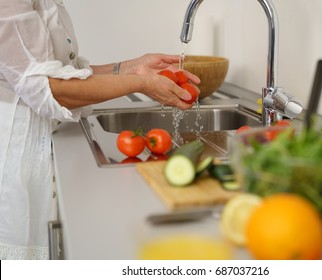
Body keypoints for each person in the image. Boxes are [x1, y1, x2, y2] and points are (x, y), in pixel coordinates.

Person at [0, 0, 200, 259]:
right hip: (17, 159)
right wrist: (140, 83)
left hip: (42, 146)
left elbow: (64, 74)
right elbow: (49, 87)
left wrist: (130, 68)